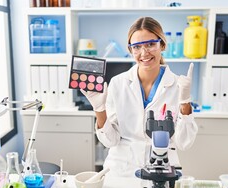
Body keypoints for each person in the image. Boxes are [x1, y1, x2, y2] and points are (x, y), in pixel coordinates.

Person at [81, 17, 198, 177]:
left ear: (162, 45)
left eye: (150, 44)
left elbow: (184, 143)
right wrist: (99, 110)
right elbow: (111, 141)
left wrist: (185, 103)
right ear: (130, 50)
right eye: (137, 47)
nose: (144, 53)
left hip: (163, 170)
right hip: (122, 168)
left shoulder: (178, 86)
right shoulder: (118, 83)